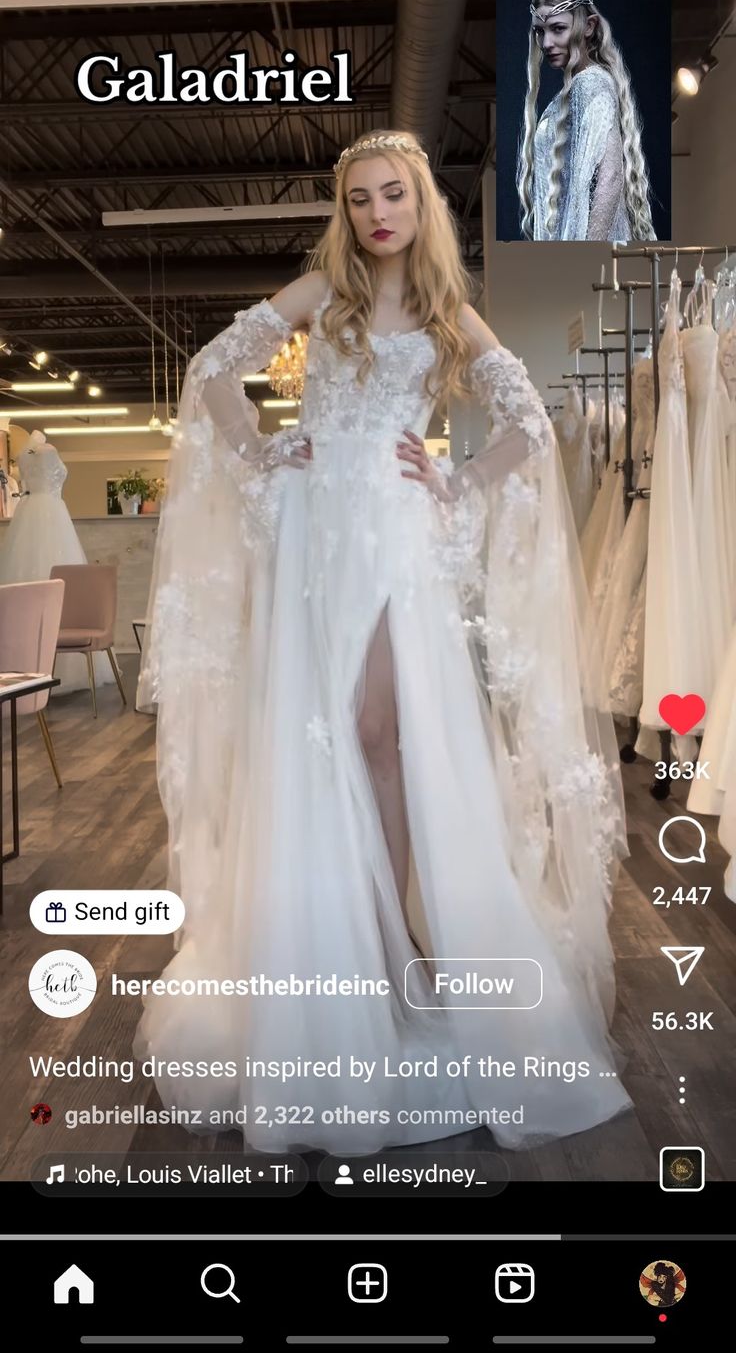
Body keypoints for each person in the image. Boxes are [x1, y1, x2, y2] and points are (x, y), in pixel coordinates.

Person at [135, 128, 631, 1156]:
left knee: (379, 730)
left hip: (395, 536)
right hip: (317, 529)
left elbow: (529, 422)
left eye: (391, 194)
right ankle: (340, 949)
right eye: (359, 198)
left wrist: (460, 480)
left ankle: (400, 937)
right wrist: (258, 449)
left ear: (420, 204)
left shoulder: (450, 311)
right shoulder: (324, 291)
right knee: (319, 732)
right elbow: (215, 365)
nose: (375, 213)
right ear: (345, 209)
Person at [516, 0, 656, 242]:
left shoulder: (590, 82)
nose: (546, 43)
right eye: (540, 31)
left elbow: (612, 176)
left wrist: (589, 255)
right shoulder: (579, 87)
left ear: (588, 26)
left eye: (558, 28)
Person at [0, 429, 115, 695]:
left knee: (25, 574)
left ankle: (26, 665)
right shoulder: (46, 452)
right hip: (52, 513)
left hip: (28, 517)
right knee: (52, 578)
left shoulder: (24, 455)